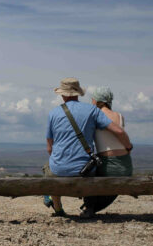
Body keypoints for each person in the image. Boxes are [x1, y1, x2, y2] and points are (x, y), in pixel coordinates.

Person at [44, 78, 132, 217]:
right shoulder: (92, 110)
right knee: (94, 168)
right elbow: (118, 131)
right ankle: (89, 208)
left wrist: (62, 160)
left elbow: (50, 148)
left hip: (59, 168)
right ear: (78, 93)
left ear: (62, 94)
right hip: (84, 170)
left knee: (48, 168)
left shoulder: (53, 113)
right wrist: (128, 146)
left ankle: (58, 208)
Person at [80, 87, 133, 217]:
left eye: (92, 100)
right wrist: (129, 147)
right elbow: (119, 136)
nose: (91, 103)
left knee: (88, 172)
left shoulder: (95, 116)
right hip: (126, 165)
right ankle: (90, 207)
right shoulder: (120, 116)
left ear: (99, 102)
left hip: (108, 165)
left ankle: (89, 207)